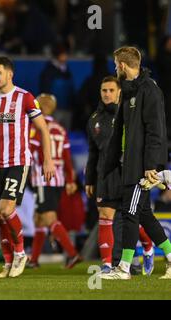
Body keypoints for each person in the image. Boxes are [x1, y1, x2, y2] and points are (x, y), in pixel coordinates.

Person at [101, 46, 171, 280]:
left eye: (115, 65)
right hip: (129, 164)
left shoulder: (149, 90)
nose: (115, 69)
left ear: (122, 66)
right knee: (143, 215)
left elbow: (156, 131)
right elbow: (119, 133)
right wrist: (108, 166)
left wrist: (152, 165)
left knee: (129, 213)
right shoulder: (130, 92)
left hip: (143, 167)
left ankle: (123, 269)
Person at [0, 58, 55, 279]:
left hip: (17, 161)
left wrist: (48, 159)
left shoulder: (24, 97)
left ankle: (20, 253)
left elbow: (43, 130)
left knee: (7, 208)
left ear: (10, 74)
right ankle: (7, 263)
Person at [85, 76, 154, 275]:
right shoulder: (94, 119)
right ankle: (107, 265)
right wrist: (89, 179)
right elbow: (92, 152)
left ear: (119, 92)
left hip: (127, 173)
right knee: (105, 216)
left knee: (132, 217)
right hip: (105, 175)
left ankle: (148, 247)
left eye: (111, 90)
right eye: (104, 90)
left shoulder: (128, 114)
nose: (107, 94)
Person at [27, 93, 81, 270]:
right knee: (39, 219)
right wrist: (70, 179)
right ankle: (34, 260)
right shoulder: (60, 129)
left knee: (49, 217)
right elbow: (67, 157)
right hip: (58, 179)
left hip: (43, 178)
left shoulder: (37, 127)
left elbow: (32, 150)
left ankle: (73, 254)